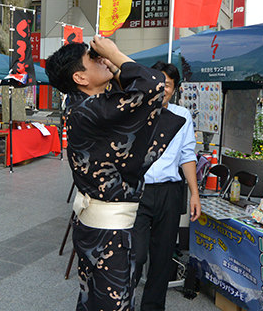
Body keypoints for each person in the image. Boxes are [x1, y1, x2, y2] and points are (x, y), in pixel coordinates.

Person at [45, 36, 185, 311]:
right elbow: (154, 86)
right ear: (80, 77)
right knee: (113, 304)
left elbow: (139, 97)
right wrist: (115, 53)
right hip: (110, 231)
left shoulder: (80, 105)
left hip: (96, 224)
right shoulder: (91, 109)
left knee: (93, 300)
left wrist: (111, 65)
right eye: (93, 59)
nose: (101, 59)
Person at [133, 61, 201, 311]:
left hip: (169, 193)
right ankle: (123, 303)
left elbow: (187, 156)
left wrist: (194, 194)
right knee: (135, 255)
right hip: (137, 191)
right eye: (158, 83)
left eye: (168, 85)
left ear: (175, 89)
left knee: (162, 258)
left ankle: (152, 308)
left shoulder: (182, 116)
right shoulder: (134, 111)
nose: (162, 89)